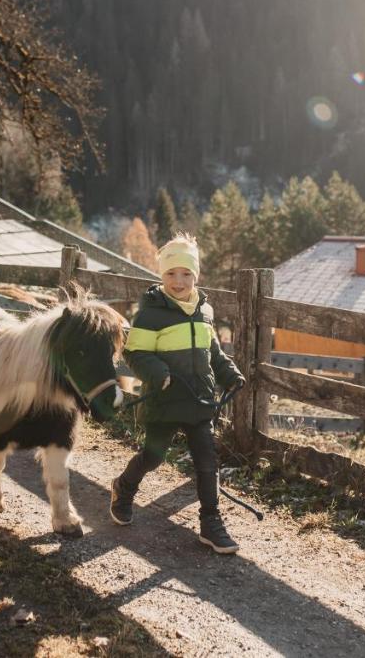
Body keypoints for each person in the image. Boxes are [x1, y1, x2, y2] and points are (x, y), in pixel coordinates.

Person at [110, 234, 246, 554]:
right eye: (171, 273)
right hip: (165, 400)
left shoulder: (204, 310)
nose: (178, 281)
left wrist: (229, 374)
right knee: (154, 456)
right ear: (161, 276)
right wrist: (158, 373)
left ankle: (210, 522)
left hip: (199, 399)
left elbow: (211, 350)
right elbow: (135, 352)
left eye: (186, 273)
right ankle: (124, 488)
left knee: (206, 460)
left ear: (196, 276)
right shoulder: (151, 312)